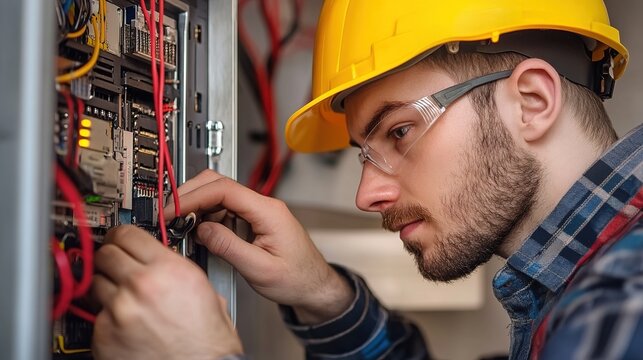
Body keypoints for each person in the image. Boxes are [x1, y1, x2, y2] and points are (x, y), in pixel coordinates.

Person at [91, 0, 643, 359]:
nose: (365, 195)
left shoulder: (623, 302)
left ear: (532, 101)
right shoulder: (576, 292)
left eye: (400, 132)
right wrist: (324, 297)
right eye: (364, 152)